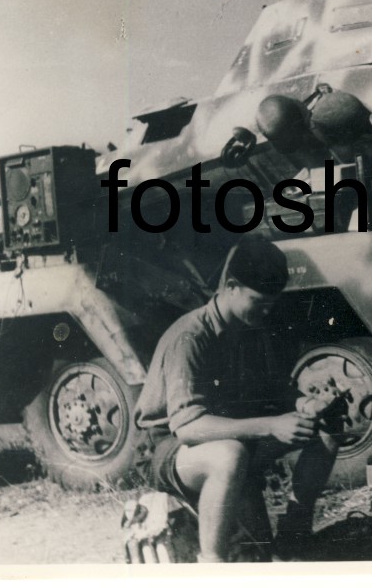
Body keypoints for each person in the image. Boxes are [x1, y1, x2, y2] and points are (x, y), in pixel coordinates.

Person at [134, 236, 337, 562]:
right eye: (258, 300)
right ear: (230, 287)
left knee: (324, 433)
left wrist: (305, 404)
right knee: (229, 455)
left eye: (272, 302)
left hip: (230, 439)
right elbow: (187, 427)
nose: (267, 310)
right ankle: (212, 565)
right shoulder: (190, 336)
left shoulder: (249, 327)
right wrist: (271, 425)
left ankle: (293, 535)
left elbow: (272, 389)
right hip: (169, 449)